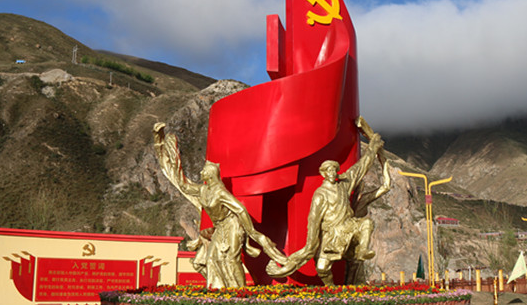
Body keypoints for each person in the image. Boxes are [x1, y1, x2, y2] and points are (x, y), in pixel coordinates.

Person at [153, 122, 287, 288]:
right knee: (211, 259)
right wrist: (159, 142)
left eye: (204, 171)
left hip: (232, 226)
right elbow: (182, 184)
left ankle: (240, 292)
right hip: (220, 228)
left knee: (231, 260)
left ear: (210, 175)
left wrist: (251, 232)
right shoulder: (203, 190)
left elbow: (240, 209)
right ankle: (218, 292)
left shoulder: (220, 192)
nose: (201, 172)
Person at [267, 120, 387, 285]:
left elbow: (361, 167)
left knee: (367, 223)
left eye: (334, 169)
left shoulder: (344, 184)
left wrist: (373, 146)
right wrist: (310, 244)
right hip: (330, 234)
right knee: (322, 268)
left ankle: (362, 250)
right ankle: (331, 289)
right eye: (328, 170)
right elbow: (313, 220)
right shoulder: (320, 195)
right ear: (323, 174)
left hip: (347, 227)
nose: (332, 172)